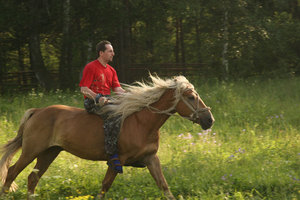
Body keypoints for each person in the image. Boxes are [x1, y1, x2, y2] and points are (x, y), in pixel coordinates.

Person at [79, 40, 125, 173]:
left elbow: (118, 89)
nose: (113, 54)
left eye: (112, 51)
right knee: (115, 114)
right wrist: (98, 98)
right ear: (101, 53)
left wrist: (131, 94)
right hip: (92, 101)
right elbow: (84, 89)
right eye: (110, 51)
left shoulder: (112, 70)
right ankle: (111, 153)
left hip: (107, 100)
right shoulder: (91, 67)